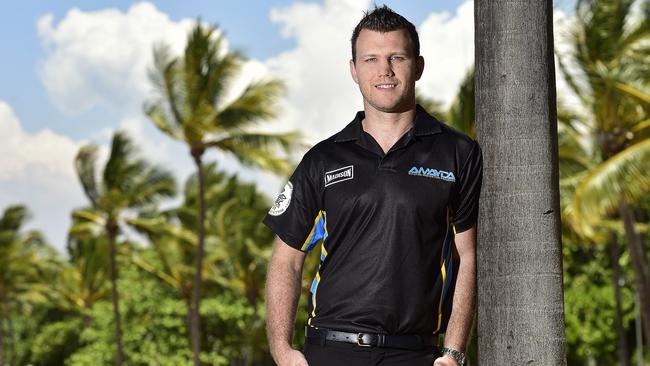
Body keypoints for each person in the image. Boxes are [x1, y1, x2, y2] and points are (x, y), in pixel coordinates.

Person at [264, 5, 482, 366]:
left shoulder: (457, 153)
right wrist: (282, 350)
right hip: (330, 349)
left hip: (415, 353)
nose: (384, 70)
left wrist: (454, 352)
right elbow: (286, 258)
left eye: (397, 57)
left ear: (418, 66)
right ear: (353, 69)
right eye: (370, 59)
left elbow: (468, 255)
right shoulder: (322, 159)